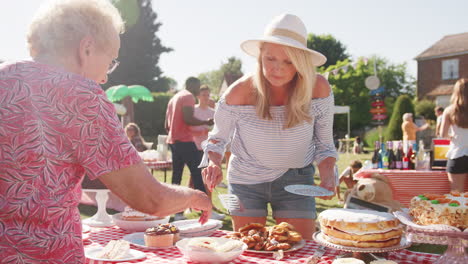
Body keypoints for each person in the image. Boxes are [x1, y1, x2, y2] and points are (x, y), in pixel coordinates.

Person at [0, 1, 211, 262]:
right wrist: (194, 196)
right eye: (111, 61)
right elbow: (149, 199)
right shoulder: (81, 94)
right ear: (86, 48)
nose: (104, 78)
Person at [200, 14, 338, 239]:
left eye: (289, 61)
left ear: (301, 62)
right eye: (270, 59)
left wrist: (328, 175)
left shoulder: (318, 88)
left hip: (297, 179)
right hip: (246, 179)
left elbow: (324, 145)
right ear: (260, 55)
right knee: (251, 250)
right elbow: (217, 139)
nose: (277, 69)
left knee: (299, 250)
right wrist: (213, 163)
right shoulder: (238, 92)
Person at [165, 77, 214, 220]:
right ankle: (207, 210)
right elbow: (188, 119)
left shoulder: (174, 98)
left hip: (173, 141)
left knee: (176, 178)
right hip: (185, 141)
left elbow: (166, 125)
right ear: (191, 85)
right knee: (198, 176)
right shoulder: (187, 96)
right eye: (198, 86)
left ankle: (177, 213)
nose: (199, 90)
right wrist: (205, 122)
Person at [440, 78, 468, 193]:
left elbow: (443, 134)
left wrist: (451, 136)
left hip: (457, 154)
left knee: (457, 195)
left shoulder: (449, 110)